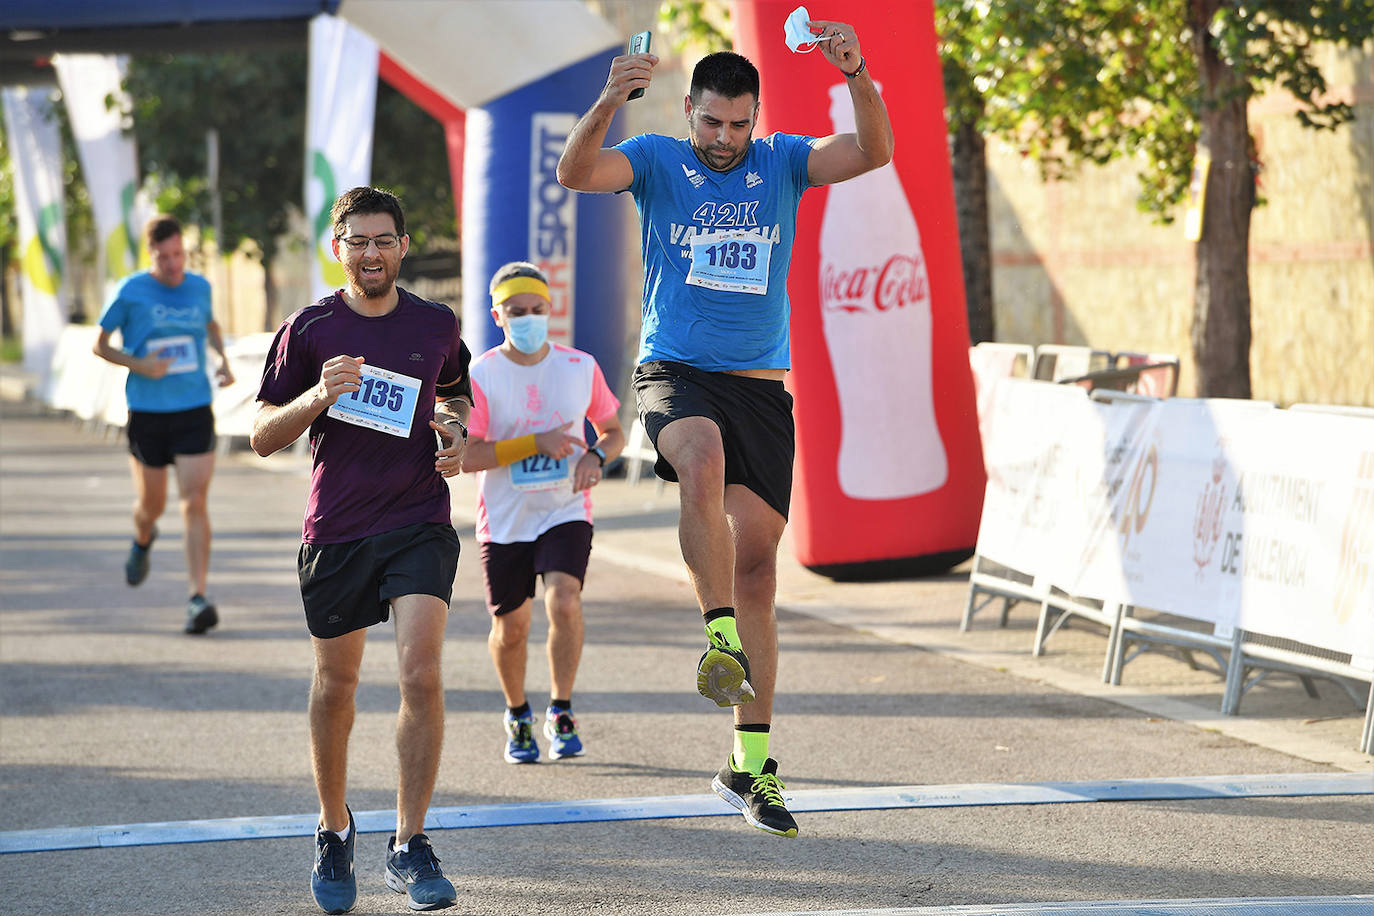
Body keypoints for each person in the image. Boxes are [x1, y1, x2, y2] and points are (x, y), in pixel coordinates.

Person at [557, 21, 893, 838]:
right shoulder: (656, 160)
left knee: (761, 580)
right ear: (690, 110)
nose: (725, 139)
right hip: (673, 370)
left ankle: (748, 769)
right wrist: (609, 96)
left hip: (761, 391)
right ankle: (716, 637)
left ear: (756, 117)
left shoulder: (780, 160)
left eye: (739, 124)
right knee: (698, 457)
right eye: (712, 122)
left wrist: (857, 74)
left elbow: (871, 153)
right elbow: (574, 172)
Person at [250, 187, 471, 914]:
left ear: (403, 246)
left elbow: (455, 390)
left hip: (418, 519)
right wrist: (317, 396)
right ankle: (333, 828)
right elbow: (261, 435)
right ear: (336, 248)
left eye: (384, 240)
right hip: (338, 528)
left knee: (421, 671)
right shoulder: (309, 328)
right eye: (358, 241)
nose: (371, 253)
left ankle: (410, 842)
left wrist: (451, 426)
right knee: (336, 686)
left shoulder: (435, 323)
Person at [459, 262, 625, 765]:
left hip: (565, 508)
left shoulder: (579, 367)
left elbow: (613, 431)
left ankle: (561, 709)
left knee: (565, 602)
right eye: (517, 312)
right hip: (506, 518)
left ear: (549, 311)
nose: (529, 319)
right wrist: (536, 443)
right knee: (511, 628)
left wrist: (596, 457)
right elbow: (468, 456)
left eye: (537, 310)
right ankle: (517, 713)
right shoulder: (481, 375)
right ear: (498, 315)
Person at [93, 214, 234, 635]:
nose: (174, 265)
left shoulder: (199, 287)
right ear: (150, 254)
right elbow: (99, 344)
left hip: (193, 407)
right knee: (151, 506)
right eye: (164, 257)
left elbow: (209, 323)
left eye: (179, 255)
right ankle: (142, 539)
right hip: (148, 412)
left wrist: (223, 360)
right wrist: (139, 364)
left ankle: (197, 597)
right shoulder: (132, 290)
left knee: (194, 501)